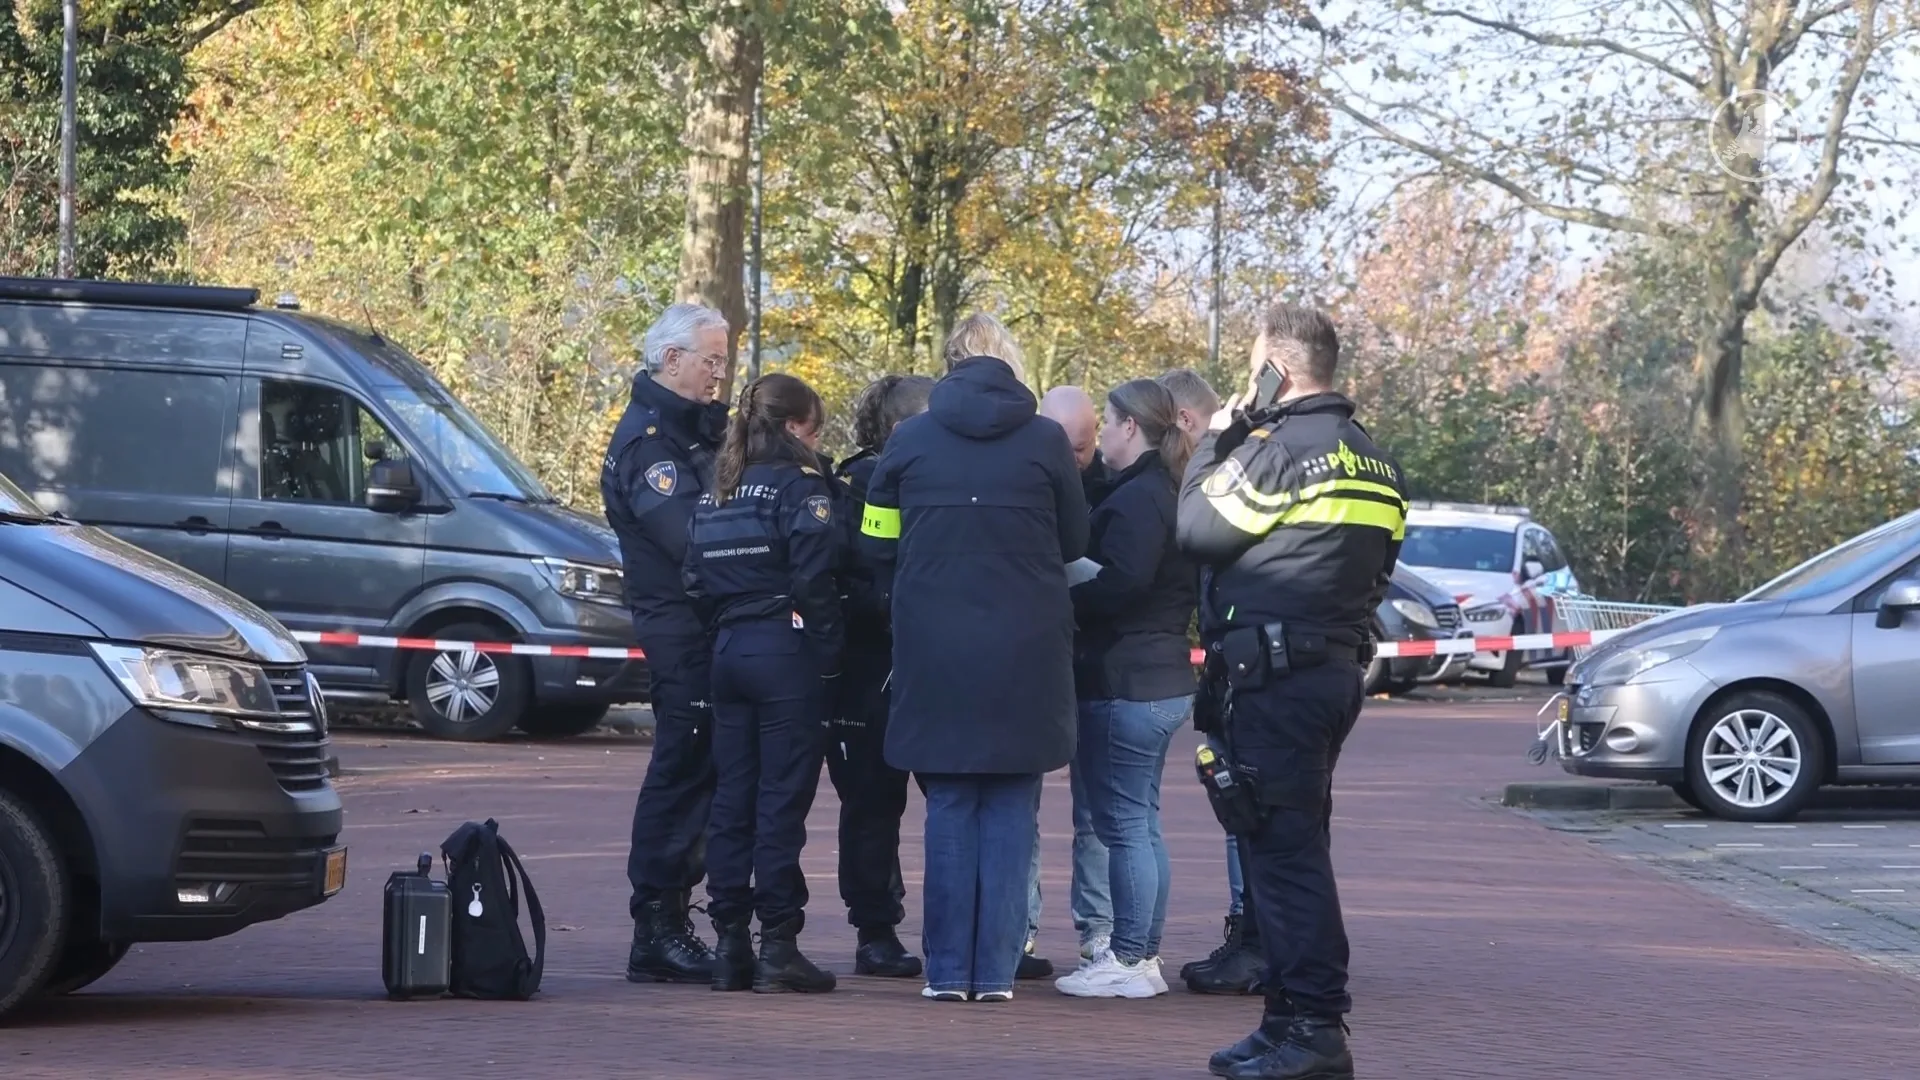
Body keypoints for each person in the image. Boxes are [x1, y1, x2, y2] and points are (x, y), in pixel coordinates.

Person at [1176, 304, 1405, 1080]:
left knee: (1285, 852)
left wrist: (1216, 437)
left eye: (1253, 367)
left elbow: (1199, 529)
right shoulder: (1373, 457)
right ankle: (1284, 1019)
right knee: (1285, 845)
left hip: (1274, 678)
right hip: (1326, 672)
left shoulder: (1279, 451)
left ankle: (1314, 1027)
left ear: (1277, 365)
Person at [860, 312, 1088, 1003]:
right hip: (1028, 651)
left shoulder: (908, 441)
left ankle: (947, 971)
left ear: (950, 362)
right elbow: (1074, 538)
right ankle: (995, 973)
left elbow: (875, 540)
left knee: (950, 805)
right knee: (1014, 806)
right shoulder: (1048, 441)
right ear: (1009, 363)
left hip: (934, 647)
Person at [682, 372, 843, 994]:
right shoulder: (799, 489)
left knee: (732, 799)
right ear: (797, 426)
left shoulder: (717, 490)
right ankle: (779, 945)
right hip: (783, 652)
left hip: (727, 651)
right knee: (780, 801)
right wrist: (828, 656)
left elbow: (693, 581)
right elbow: (814, 581)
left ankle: (729, 945)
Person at [1053, 378, 1198, 1000]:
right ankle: (1142, 953)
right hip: (1157, 675)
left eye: (1108, 423)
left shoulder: (1140, 498)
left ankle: (1132, 958)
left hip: (1127, 678)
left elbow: (1122, 584)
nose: (1102, 435)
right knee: (1142, 822)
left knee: (1125, 827)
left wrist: (1064, 588)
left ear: (1131, 428)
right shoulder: (1165, 491)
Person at [602, 302, 732, 984]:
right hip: (681, 628)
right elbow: (692, 540)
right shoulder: (651, 445)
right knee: (681, 768)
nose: (720, 373)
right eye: (710, 359)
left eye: (723, 360)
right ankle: (656, 925)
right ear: (671, 359)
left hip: (711, 627)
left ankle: (678, 914)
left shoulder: (700, 434)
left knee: (706, 770)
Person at [826, 373, 936, 979]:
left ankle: (959, 925)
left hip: (912, 662)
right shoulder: (864, 485)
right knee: (872, 801)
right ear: (901, 428)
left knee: (946, 798)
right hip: (873, 669)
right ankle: (875, 929)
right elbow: (866, 577)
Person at [1159, 368, 1264, 994]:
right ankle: (1263, 935)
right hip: (1249, 657)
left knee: (1244, 802)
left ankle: (1256, 939)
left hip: (1247, 663)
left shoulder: (1226, 475)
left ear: (1186, 425)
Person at [1025, 383, 1115, 979]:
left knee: (1099, 813)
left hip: (1097, 664)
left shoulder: (1115, 487)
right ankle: (1020, 930)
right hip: (1034, 664)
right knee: (1019, 806)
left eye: (1083, 450)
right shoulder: (1026, 474)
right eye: (1067, 448)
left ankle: (1100, 935)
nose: (1075, 462)